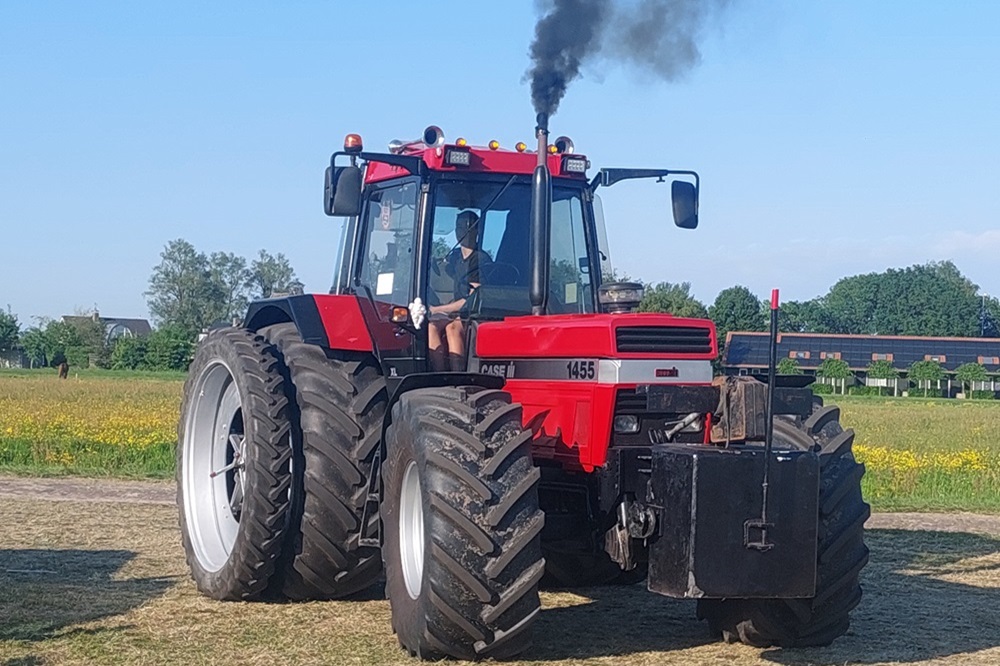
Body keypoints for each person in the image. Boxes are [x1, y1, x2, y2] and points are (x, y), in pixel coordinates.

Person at [428, 210, 492, 371]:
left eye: (467, 227)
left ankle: (457, 375)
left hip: (474, 313)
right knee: (431, 325)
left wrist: (437, 309)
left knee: (453, 328)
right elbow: (443, 265)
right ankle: (438, 375)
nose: (461, 231)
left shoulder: (479, 260)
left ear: (477, 231)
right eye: (459, 227)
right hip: (457, 312)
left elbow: (471, 300)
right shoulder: (455, 256)